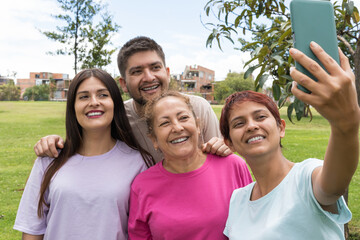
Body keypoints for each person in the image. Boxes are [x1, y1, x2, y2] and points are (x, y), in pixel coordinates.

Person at [220, 42, 359, 239]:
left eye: (260, 117)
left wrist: (346, 124)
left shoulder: (307, 177)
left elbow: (333, 186)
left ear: (281, 128)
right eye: (239, 123)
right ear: (230, 143)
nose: (251, 126)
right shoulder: (238, 199)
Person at [33, 36, 230, 162]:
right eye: (137, 71)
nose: (149, 77)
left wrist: (222, 147)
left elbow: (221, 158)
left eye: (155, 67)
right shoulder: (118, 117)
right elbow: (85, 145)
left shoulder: (198, 107)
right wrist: (54, 142)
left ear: (167, 72)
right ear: (124, 83)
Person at [14, 69, 154, 240]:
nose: (94, 102)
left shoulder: (138, 162)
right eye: (84, 97)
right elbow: (32, 230)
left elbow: (142, 231)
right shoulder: (49, 160)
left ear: (115, 103)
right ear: (73, 107)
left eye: (103, 95)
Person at [128, 91, 253, 240]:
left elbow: (254, 224)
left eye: (183, 118)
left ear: (198, 125)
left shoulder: (233, 166)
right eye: (165, 123)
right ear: (154, 139)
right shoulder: (142, 186)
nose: (177, 128)